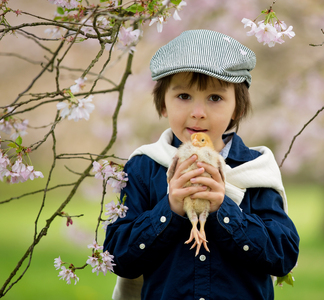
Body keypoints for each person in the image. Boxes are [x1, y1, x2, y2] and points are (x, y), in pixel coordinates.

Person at [104, 29, 300, 300]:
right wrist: (169, 208)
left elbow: (282, 256)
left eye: (215, 98)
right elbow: (119, 258)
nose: (198, 112)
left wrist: (225, 208)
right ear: (163, 104)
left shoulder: (255, 169)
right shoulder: (145, 167)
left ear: (238, 109)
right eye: (184, 96)